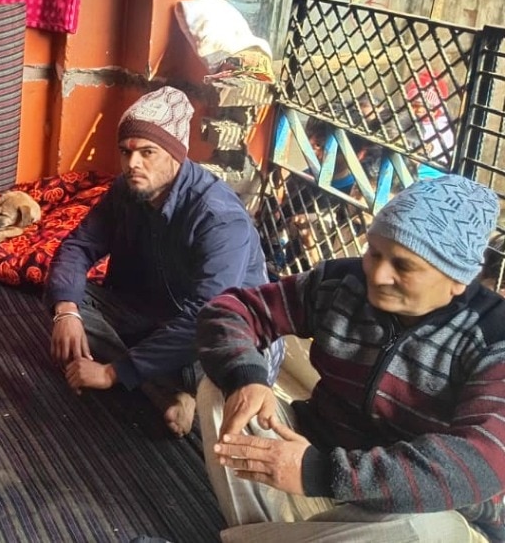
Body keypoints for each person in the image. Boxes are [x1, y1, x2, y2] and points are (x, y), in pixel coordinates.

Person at [196, 174, 505, 542]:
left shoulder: (493, 336)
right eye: (374, 252)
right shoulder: (341, 282)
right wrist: (247, 376)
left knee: (429, 532)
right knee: (221, 386)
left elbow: (480, 460)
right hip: (314, 462)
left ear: (458, 278)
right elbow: (230, 311)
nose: (377, 273)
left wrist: (323, 472)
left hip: (397, 510)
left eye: (403, 266)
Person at [46, 86, 281, 436]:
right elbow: (78, 247)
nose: (132, 164)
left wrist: (114, 372)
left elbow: (209, 315)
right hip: (155, 316)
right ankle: (169, 390)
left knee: (231, 361)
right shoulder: (128, 190)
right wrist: (66, 310)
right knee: (72, 300)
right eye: (126, 152)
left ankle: (167, 385)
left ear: (176, 155)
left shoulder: (218, 217)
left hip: (221, 334)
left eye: (147, 152)